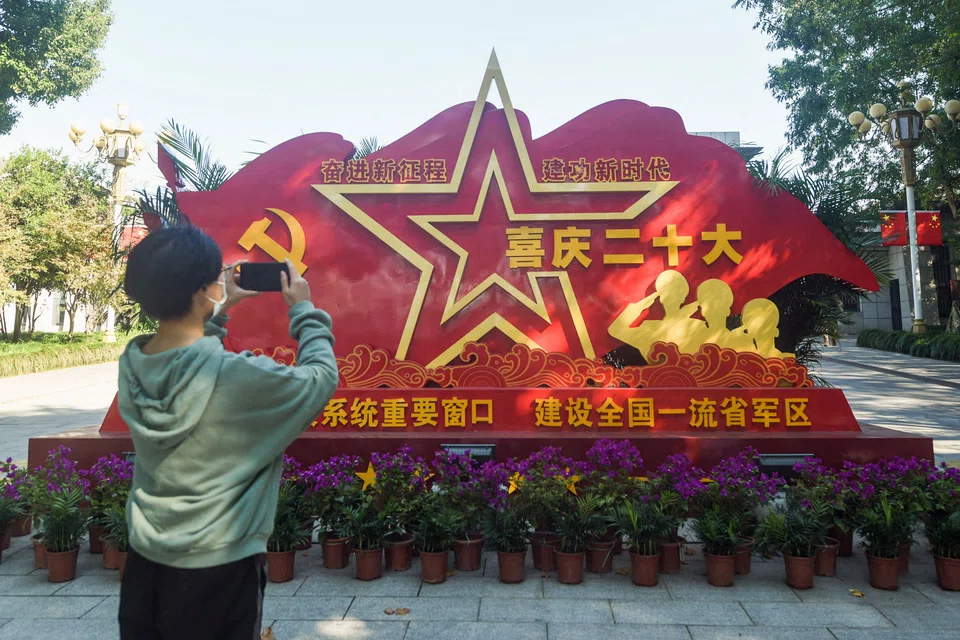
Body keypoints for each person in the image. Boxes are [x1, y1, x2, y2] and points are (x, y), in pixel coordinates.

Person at [116, 225, 338, 639]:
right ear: (202, 290)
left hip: (145, 564)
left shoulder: (134, 365)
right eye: (217, 277)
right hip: (219, 567)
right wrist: (304, 310)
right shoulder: (236, 377)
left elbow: (184, 353)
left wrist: (214, 311)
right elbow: (319, 379)